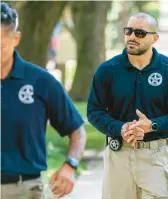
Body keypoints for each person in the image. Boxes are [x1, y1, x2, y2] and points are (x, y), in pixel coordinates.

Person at [1, 2, 86, 199]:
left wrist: (70, 165)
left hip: (24, 190)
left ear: (16, 38)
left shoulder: (41, 82)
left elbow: (77, 131)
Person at [87, 12, 168, 199]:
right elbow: (94, 111)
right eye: (129, 31)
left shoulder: (166, 69)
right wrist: (121, 128)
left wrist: (152, 125)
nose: (132, 36)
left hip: (157, 157)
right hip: (119, 156)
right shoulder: (108, 70)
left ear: (154, 38)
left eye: (139, 33)